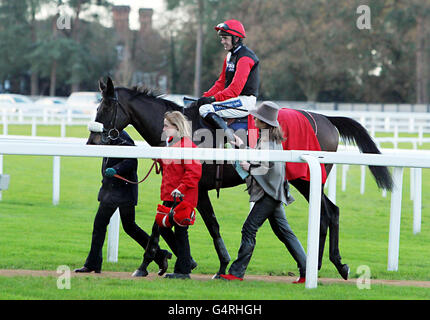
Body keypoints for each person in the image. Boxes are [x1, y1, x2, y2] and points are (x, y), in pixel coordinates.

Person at [220, 101, 307, 283]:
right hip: (274, 193)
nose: (254, 118)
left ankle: (236, 273)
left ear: (264, 121)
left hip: (269, 195)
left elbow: (269, 168)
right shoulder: (268, 138)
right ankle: (307, 270)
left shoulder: (269, 141)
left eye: (257, 117)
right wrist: (242, 147)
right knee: (285, 233)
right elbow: (263, 160)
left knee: (249, 229)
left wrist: (249, 167)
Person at [74, 130, 172, 275]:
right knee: (128, 227)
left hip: (122, 191)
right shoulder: (110, 134)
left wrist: (116, 169)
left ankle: (93, 264)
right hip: (112, 190)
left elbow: (132, 160)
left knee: (106, 225)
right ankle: (158, 254)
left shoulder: (120, 136)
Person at [134, 111, 202, 279]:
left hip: (181, 196)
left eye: (166, 126)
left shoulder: (186, 145)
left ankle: (184, 270)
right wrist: (159, 160)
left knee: (179, 231)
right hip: (170, 195)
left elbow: (194, 172)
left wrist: (182, 188)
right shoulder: (173, 144)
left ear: (176, 127)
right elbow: (174, 167)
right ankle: (186, 262)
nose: (163, 129)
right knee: (164, 228)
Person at [194, 19, 259, 145]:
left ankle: (232, 143)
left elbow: (235, 89)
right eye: (222, 38)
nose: (222, 41)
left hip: (245, 102)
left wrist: (212, 99)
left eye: (225, 38)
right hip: (234, 99)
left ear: (236, 38)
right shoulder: (229, 57)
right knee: (200, 105)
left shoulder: (245, 57)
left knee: (205, 109)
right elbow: (221, 83)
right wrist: (205, 96)